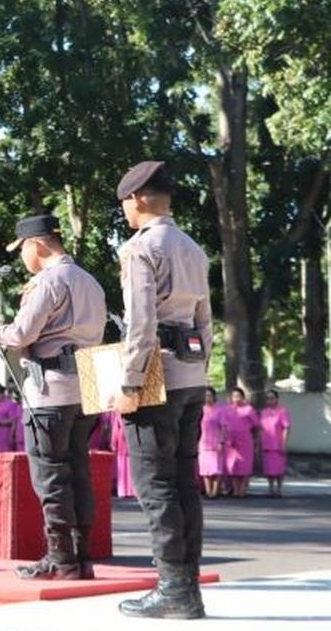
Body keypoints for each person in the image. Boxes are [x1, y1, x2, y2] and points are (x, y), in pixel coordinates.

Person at [0, 214, 106, 581]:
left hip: (51, 388)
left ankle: (60, 559)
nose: (22, 257)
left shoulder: (47, 282)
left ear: (36, 244)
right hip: (88, 383)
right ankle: (83, 557)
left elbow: (21, 334)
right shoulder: (90, 281)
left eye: (21, 249)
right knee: (80, 471)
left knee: (51, 476)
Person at [113, 161, 212, 619]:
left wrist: (130, 382)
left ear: (137, 199)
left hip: (156, 378)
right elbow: (204, 321)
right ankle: (187, 588)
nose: (125, 212)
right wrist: (200, 369)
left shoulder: (140, 248)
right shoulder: (193, 247)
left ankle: (173, 589)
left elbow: (141, 323)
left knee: (156, 487)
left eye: (125, 203)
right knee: (185, 484)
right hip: (191, 375)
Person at [223, 386, 259, 498]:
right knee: (233, 466)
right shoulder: (228, 410)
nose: (236, 399)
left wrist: (256, 440)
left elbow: (256, 425)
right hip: (231, 442)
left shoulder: (248, 409)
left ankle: (242, 490)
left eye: (238, 396)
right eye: (234, 396)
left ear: (243, 397)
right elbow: (224, 425)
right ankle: (235, 489)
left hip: (245, 441)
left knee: (244, 466)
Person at [259, 390, 290, 497]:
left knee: (279, 468)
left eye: (272, 398)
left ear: (277, 399)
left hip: (278, 444)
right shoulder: (264, 412)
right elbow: (261, 428)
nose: (270, 400)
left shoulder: (282, 411)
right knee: (269, 468)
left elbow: (286, 428)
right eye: (268, 398)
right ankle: (270, 487)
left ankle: (279, 488)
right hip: (267, 444)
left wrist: (284, 443)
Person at [197, 388, 226, 499]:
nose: (207, 398)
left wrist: (221, 441)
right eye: (205, 396)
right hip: (203, 443)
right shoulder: (201, 410)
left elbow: (223, 427)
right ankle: (208, 491)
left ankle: (215, 491)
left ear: (214, 397)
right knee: (205, 469)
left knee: (216, 469)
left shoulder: (219, 410)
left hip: (216, 442)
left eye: (209, 395)